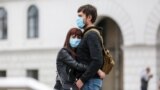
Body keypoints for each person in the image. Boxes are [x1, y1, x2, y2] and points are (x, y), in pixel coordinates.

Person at [75, 4, 104, 90]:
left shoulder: (91, 34)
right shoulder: (87, 34)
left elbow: (97, 60)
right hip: (88, 82)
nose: (78, 19)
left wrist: (82, 80)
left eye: (80, 16)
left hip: (89, 83)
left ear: (89, 17)